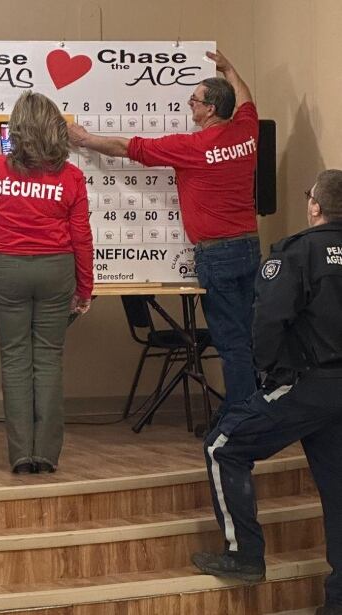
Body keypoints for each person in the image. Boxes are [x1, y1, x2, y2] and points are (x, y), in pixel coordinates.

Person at [68, 50, 260, 416]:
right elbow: (247, 99)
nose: (190, 103)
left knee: (230, 339)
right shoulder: (247, 130)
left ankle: (240, 418)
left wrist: (86, 139)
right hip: (250, 247)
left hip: (217, 253)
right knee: (249, 333)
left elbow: (129, 148)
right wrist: (231, 69)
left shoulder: (193, 147)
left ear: (211, 110)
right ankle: (255, 410)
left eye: (196, 100)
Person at [190, 170, 342, 615]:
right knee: (338, 490)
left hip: (307, 384)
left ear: (315, 206)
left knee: (223, 446)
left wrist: (270, 375)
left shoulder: (296, 253)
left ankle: (243, 555)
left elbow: (269, 321)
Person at [0, 91, 93, 474]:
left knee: (14, 360)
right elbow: (82, 236)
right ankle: (45, 454)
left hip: (7, 268)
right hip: (56, 269)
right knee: (48, 360)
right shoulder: (72, 176)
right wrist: (85, 288)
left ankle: (20, 455)